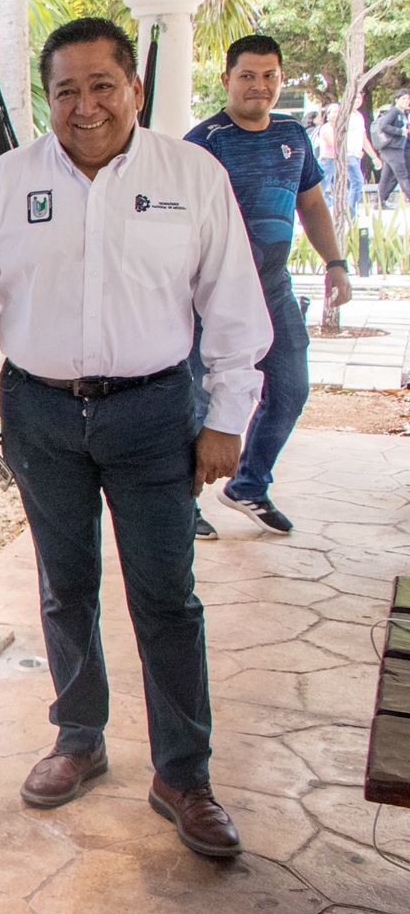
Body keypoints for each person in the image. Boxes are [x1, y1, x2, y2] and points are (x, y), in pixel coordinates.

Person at [0, 18, 271, 858]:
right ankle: (78, 738)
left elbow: (231, 300)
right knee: (64, 584)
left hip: (156, 414)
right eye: (66, 90)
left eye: (102, 86)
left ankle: (183, 774)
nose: (85, 107)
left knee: (165, 594)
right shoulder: (7, 183)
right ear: (48, 98)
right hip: (40, 413)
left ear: (136, 90)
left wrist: (228, 417)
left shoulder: (190, 175)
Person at [185, 35, 352, 538]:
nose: (260, 86)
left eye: (270, 76)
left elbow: (313, 205)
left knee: (290, 390)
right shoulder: (204, 142)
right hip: (209, 295)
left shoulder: (294, 136)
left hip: (274, 288)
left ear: (281, 78)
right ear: (226, 80)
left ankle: (249, 485)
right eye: (248, 76)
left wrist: (336, 263)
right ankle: (182, 502)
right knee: (195, 400)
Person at [373, 88, 410, 209]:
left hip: (397, 148)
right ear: (397, 100)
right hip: (392, 148)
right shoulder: (394, 112)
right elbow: (384, 125)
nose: (406, 101)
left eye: (408, 98)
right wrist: (400, 131)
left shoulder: (403, 113)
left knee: (388, 176)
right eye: (403, 98)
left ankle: (379, 202)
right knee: (402, 174)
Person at [317, 103, 341, 211]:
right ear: (327, 114)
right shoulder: (326, 128)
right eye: (334, 111)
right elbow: (334, 144)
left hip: (336, 160)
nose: (337, 114)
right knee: (321, 188)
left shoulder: (339, 128)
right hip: (327, 160)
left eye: (338, 111)